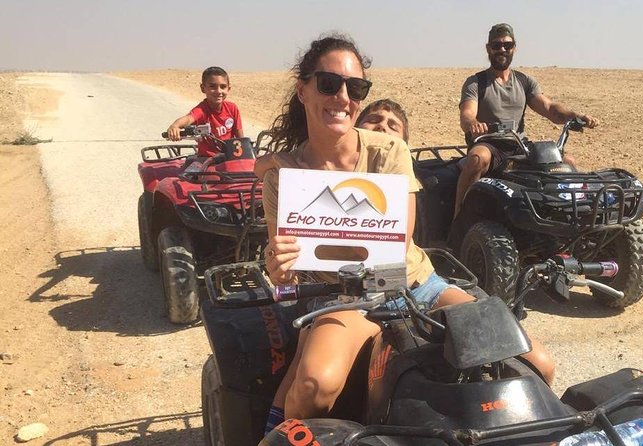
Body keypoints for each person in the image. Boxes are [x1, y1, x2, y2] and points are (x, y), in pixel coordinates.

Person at [255, 33, 555, 435]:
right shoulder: (282, 175)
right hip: (342, 297)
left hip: (416, 285)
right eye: (329, 83)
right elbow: (288, 269)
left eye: (355, 87)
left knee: (538, 365)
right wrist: (281, 268)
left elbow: (397, 240)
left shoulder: (389, 151)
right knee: (312, 386)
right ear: (303, 90)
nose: (343, 96)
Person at [454, 23, 600, 217]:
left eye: (507, 45)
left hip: (519, 146)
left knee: (565, 161)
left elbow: (549, 108)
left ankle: (569, 218)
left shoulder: (524, 81)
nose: (502, 50)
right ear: (488, 48)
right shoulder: (476, 82)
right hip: (490, 144)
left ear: (514, 48)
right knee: (478, 158)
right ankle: (460, 217)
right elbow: (467, 115)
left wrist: (575, 117)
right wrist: (473, 124)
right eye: (497, 45)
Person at [166, 66, 244, 157]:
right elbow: (188, 119)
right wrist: (175, 126)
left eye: (223, 87)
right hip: (207, 160)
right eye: (212, 87)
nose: (218, 91)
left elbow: (240, 138)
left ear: (228, 88)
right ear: (203, 88)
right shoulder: (201, 110)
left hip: (229, 156)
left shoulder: (232, 108)